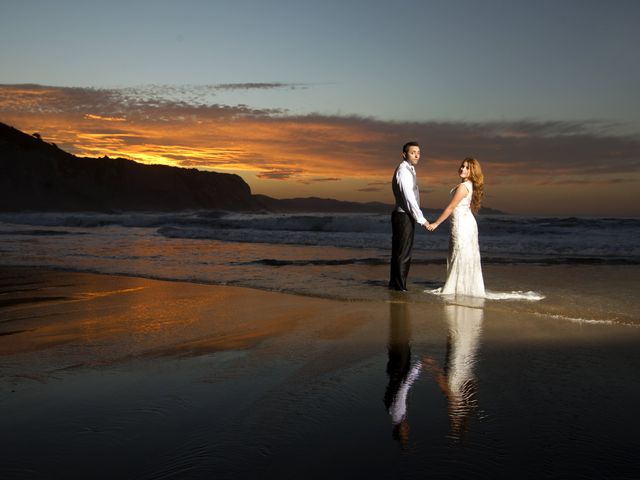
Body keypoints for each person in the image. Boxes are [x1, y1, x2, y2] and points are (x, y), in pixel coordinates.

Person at [427, 158, 485, 297]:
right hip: (466, 222)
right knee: (462, 253)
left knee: (459, 253)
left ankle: (458, 289)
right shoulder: (469, 185)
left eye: (467, 168)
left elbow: (451, 207)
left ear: (472, 172)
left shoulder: (463, 187)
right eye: (462, 166)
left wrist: (436, 223)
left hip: (462, 225)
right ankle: (463, 288)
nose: (463, 169)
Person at [389, 141, 430, 291]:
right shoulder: (404, 171)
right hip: (403, 216)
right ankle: (400, 288)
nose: (417, 155)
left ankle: (395, 285)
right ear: (404, 154)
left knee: (400, 252)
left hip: (405, 215)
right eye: (413, 152)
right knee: (403, 254)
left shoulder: (410, 169)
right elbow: (409, 198)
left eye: (418, 152)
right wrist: (422, 219)